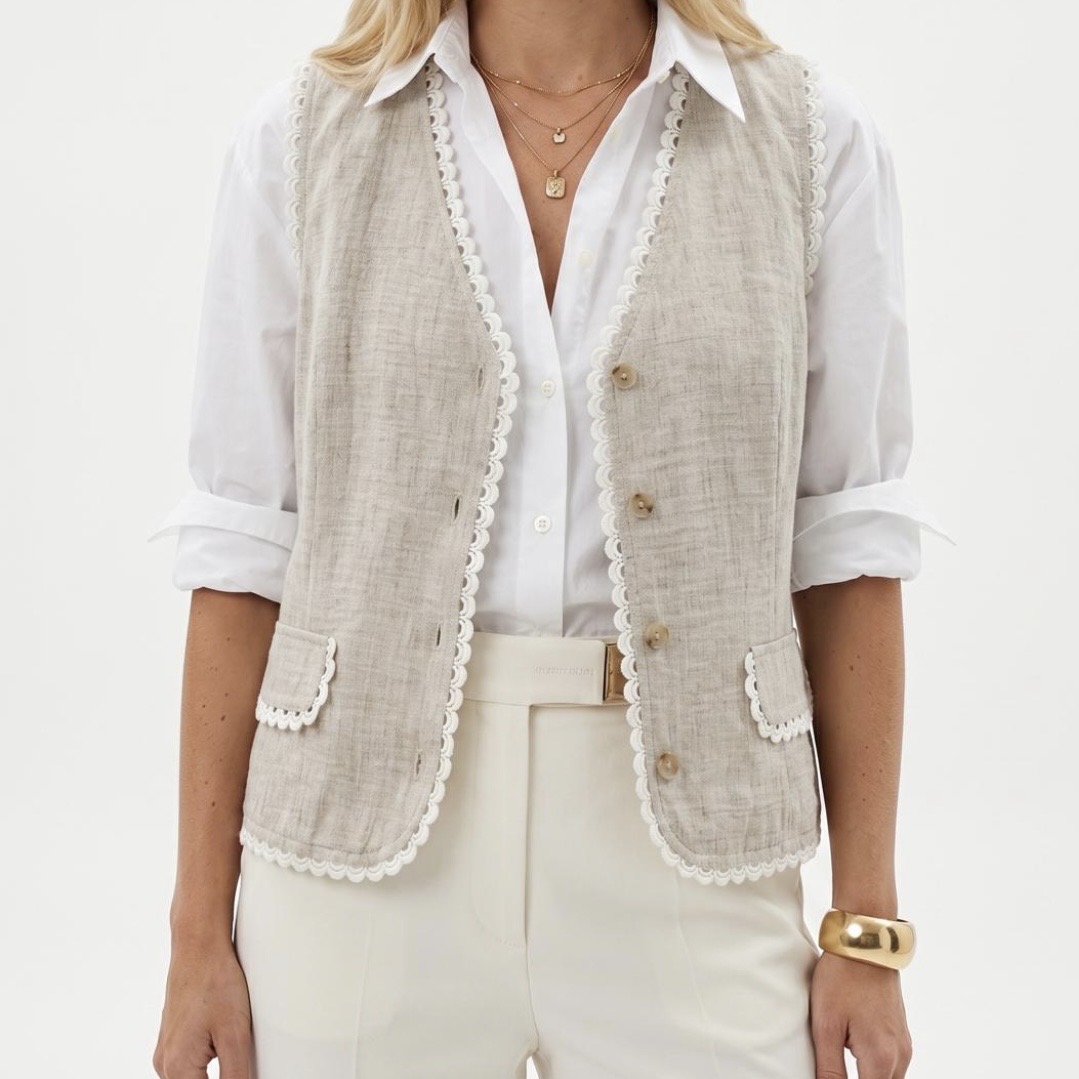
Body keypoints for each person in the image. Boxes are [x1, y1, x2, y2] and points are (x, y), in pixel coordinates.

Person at [148, 1, 951, 1076]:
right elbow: (244, 553)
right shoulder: (300, 139)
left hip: (696, 865)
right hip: (353, 865)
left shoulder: (810, 139)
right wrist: (196, 932)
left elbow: (846, 545)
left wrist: (865, 926)